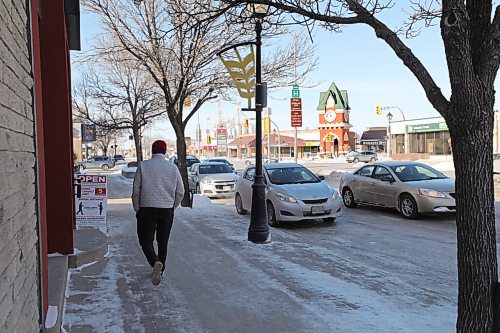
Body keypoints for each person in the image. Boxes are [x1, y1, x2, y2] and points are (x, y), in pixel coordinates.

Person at [132, 140, 184, 285]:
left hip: (147, 209)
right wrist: (172, 207)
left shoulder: (143, 166)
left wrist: (137, 208)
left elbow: (136, 191)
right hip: (166, 209)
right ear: (165, 151)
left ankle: (155, 263)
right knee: (163, 241)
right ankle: (160, 269)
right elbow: (180, 191)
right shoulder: (172, 168)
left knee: (145, 241)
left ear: (152, 151)